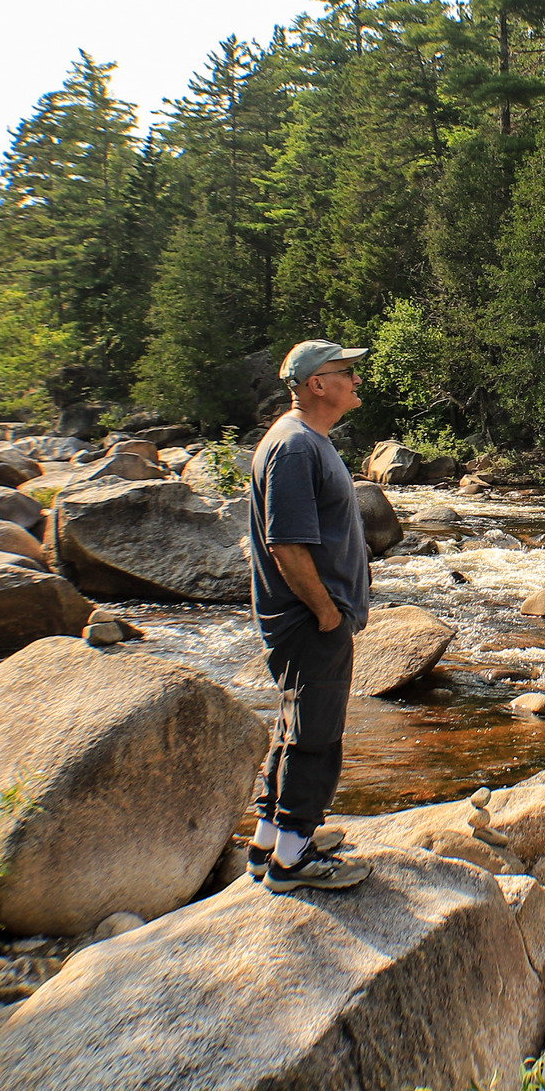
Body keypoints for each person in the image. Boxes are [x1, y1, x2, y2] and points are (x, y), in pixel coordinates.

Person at [243, 339, 375, 892]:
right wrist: (326, 613)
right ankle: (293, 862)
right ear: (317, 384)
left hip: (305, 617)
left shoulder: (305, 440)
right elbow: (287, 545)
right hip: (307, 619)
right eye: (346, 372)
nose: (356, 380)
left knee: (294, 727)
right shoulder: (296, 447)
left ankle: (268, 841)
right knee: (316, 734)